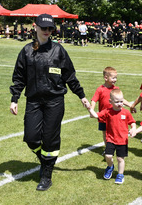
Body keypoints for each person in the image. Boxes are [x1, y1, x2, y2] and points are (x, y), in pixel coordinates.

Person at [9, 14, 90, 191]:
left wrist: (82, 95)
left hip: (54, 100)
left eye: (50, 29)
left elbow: (70, 76)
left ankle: (46, 174)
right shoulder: (26, 51)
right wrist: (14, 99)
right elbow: (19, 77)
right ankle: (45, 161)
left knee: (49, 139)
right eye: (44, 28)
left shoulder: (59, 50)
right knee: (31, 138)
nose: (47, 31)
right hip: (34, 101)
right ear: (35, 27)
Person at [88, 89, 136, 184]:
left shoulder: (126, 112)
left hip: (122, 140)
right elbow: (95, 116)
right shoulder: (107, 111)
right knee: (108, 156)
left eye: (121, 101)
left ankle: (120, 174)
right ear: (110, 102)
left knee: (120, 159)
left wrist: (133, 129)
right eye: (117, 101)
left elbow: (132, 122)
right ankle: (110, 167)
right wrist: (89, 108)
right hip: (110, 139)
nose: (120, 104)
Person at [90, 67, 132, 151]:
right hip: (103, 117)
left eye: (116, 77)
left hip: (114, 116)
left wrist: (130, 106)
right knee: (105, 133)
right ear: (106, 77)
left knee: (115, 132)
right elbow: (94, 100)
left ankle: (116, 146)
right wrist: (92, 110)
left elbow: (121, 100)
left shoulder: (116, 89)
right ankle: (107, 149)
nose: (115, 80)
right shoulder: (100, 89)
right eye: (113, 78)